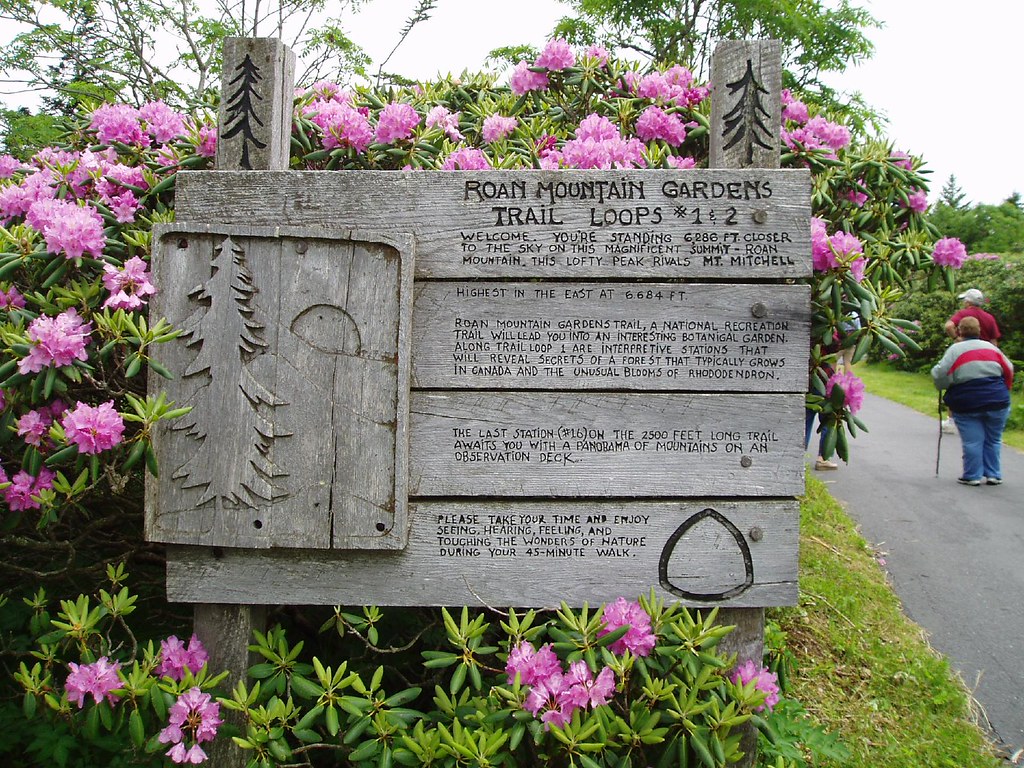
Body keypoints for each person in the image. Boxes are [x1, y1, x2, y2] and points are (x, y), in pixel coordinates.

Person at [931, 316, 1014, 486]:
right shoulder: (992, 348)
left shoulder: (956, 350)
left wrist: (942, 385)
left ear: (960, 330)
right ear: (979, 331)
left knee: (972, 441)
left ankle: (972, 475)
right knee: (993, 439)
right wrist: (1005, 388)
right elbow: (1009, 369)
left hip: (967, 401)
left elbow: (941, 374)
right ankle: (993, 474)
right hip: (997, 400)